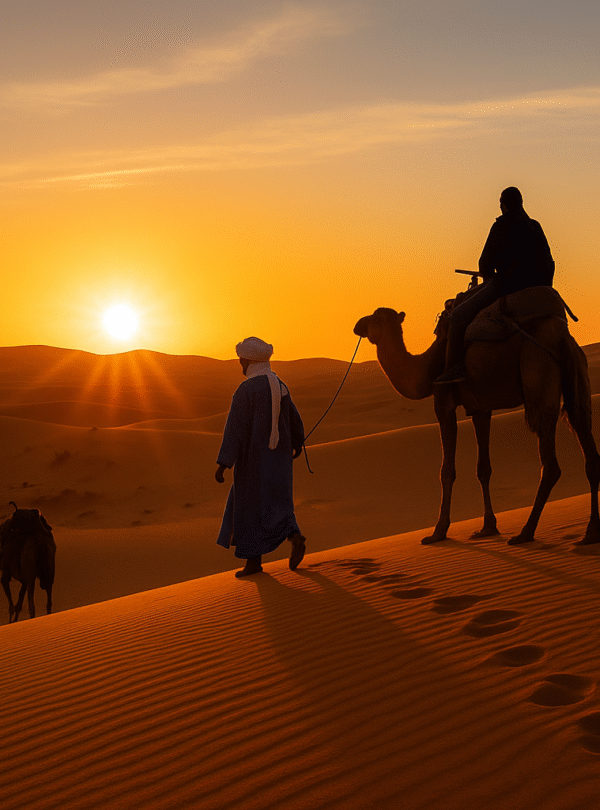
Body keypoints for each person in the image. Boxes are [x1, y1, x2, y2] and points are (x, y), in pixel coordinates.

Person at [435, 186, 555, 384]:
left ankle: (455, 368)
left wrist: (492, 280)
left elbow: (485, 265)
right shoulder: (535, 226)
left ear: (504, 205)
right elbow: (549, 263)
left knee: (457, 316)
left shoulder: (502, 225)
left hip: (508, 286)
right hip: (541, 291)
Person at [215, 336, 306, 577]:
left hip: (253, 463)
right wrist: (298, 442)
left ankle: (253, 563)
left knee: (250, 508)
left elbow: (235, 427)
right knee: (279, 502)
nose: (240, 364)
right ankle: (295, 536)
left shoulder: (246, 390)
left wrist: (224, 463)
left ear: (248, 360)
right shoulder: (280, 384)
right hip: (280, 461)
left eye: (241, 359)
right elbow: (294, 417)